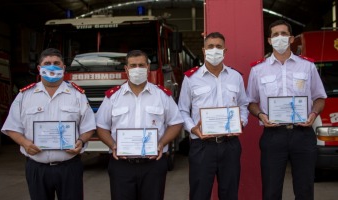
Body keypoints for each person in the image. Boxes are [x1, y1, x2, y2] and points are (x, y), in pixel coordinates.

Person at [246, 20, 327, 200]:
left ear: (291, 39)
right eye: (276, 35)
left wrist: (313, 114)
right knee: (271, 191)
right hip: (273, 135)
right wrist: (260, 115)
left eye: (284, 34)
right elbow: (250, 102)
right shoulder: (258, 70)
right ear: (269, 40)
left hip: (303, 134)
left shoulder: (307, 66)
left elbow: (320, 97)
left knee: (305, 190)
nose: (280, 38)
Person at [1, 48, 96, 200]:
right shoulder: (25, 95)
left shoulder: (77, 95)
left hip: (69, 167)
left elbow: (89, 126)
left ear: (63, 68)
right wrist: (25, 143)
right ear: (39, 68)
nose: (52, 66)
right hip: (37, 167)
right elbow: (12, 127)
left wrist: (81, 141)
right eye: (47, 63)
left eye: (56, 63)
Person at [95, 50, 183, 200]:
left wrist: (161, 143)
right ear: (126, 69)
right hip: (121, 165)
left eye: (141, 65)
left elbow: (176, 123)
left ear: (148, 68)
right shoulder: (113, 97)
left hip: (153, 164)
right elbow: (101, 127)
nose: (137, 69)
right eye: (133, 65)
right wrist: (113, 144)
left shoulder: (161, 95)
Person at [178, 32, 249, 200]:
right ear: (203, 50)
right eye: (210, 46)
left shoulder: (235, 77)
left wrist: (241, 122)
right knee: (199, 194)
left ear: (225, 51)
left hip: (230, 144)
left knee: (230, 194)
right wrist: (193, 129)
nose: (214, 50)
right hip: (202, 146)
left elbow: (243, 105)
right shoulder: (191, 78)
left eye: (218, 46)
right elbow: (182, 110)